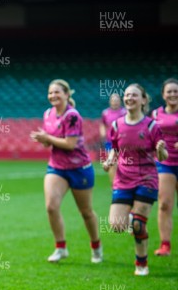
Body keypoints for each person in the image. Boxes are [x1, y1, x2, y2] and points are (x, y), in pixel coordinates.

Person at [30, 79, 102, 263]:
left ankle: (96, 246)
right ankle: (61, 247)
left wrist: (48, 138)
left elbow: (70, 144)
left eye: (57, 92)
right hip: (57, 167)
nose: (53, 96)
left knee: (85, 211)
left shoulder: (72, 116)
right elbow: (52, 141)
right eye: (50, 93)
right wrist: (43, 139)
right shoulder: (48, 113)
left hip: (79, 168)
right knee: (51, 206)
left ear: (67, 94)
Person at [102, 83, 167, 275]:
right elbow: (114, 148)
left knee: (138, 225)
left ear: (143, 100)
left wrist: (161, 149)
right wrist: (109, 161)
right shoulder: (116, 125)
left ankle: (141, 263)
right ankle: (131, 218)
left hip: (146, 179)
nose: (130, 98)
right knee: (116, 225)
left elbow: (163, 157)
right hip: (123, 179)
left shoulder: (151, 126)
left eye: (134, 95)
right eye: (127, 95)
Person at [152, 78, 178, 256]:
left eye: (176, 91)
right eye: (169, 91)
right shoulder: (155, 115)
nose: (173, 94)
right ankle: (165, 245)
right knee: (164, 204)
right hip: (165, 163)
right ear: (163, 94)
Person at [99, 93, 126, 183]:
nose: (115, 102)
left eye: (117, 100)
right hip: (110, 141)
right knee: (111, 163)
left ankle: (124, 183)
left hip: (123, 142)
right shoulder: (105, 112)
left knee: (124, 163)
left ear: (120, 101)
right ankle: (114, 184)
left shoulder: (125, 112)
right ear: (110, 102)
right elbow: (102, 124)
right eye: (113, 100)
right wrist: (102, 132)